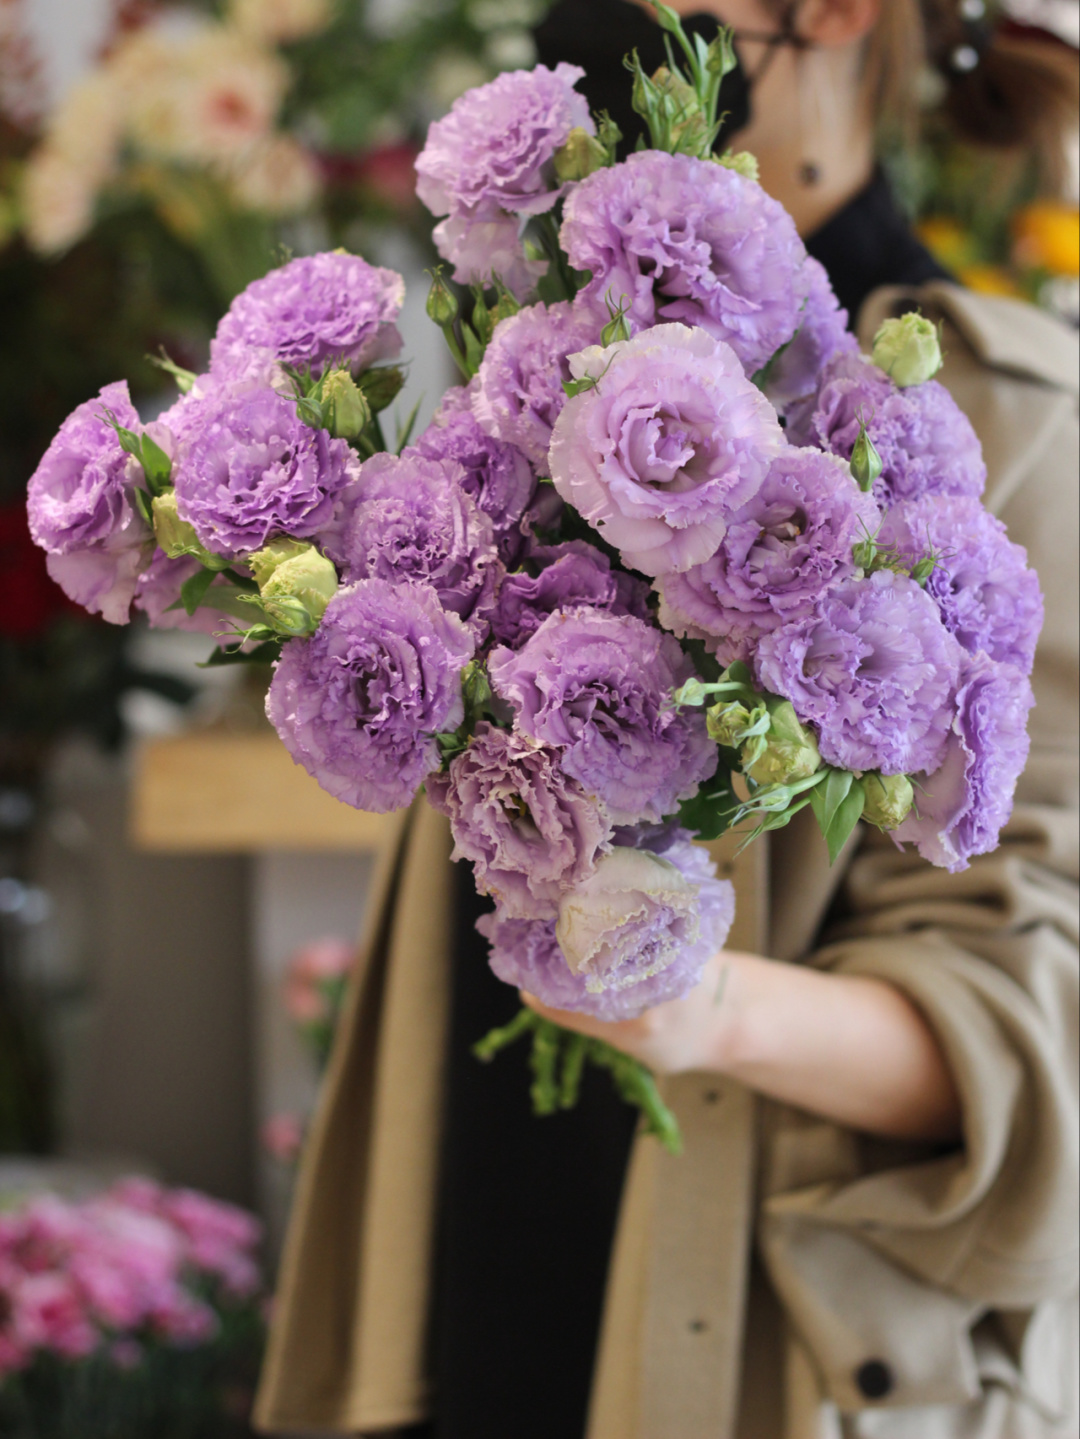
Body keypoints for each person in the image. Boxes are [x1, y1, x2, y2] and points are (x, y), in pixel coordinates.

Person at [253, 3, 1080, 1437]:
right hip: (475, 1232)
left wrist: (687, 992)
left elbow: (1031, 1023)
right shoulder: (542, 365)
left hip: (738, 1323)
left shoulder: (1006, 419)